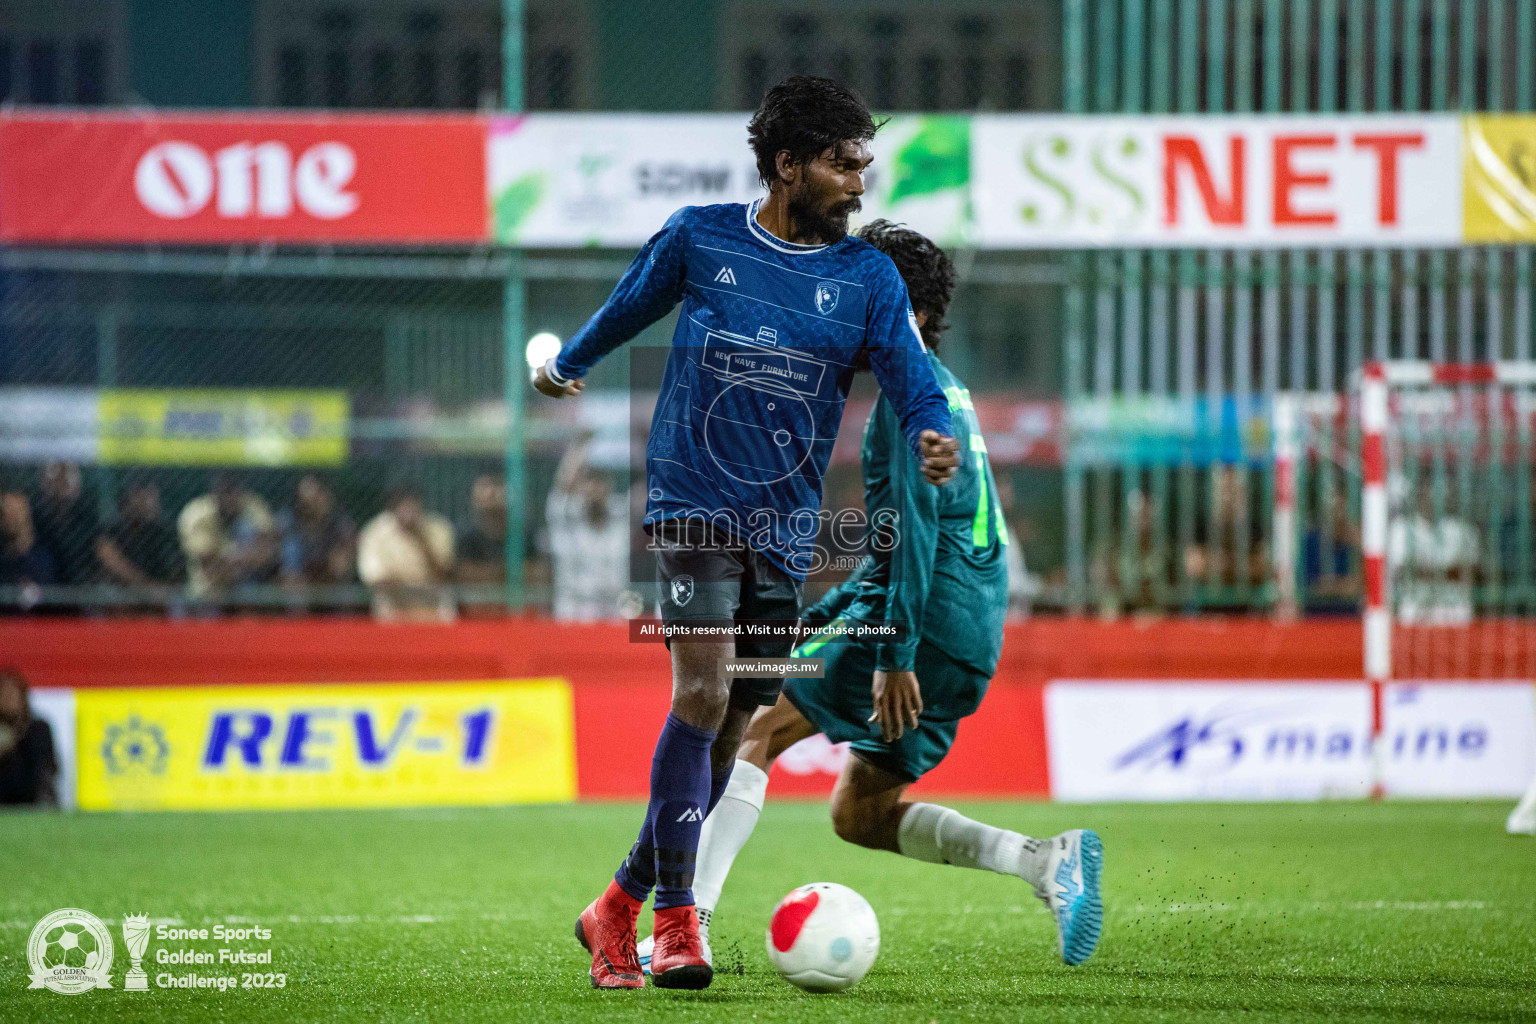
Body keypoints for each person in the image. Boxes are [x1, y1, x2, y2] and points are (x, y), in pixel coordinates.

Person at [532, 76, 959, 990]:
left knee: (733, 724)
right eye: (845, 166)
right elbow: (627, 307)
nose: (859, 184)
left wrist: (936, 432)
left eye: (866, 166)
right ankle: (679, 925)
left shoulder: (867, 279)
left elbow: (914, 378)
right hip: (690, 500)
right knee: (700, 694)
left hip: (784, 523)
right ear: (788, 164)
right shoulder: (701, 236)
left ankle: (615, 907)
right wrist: (567, 364)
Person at [637, 221, 1103, 974]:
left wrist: (894, 655)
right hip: (974, 633)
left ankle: (683, 925)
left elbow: (914, 542)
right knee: (858, 811)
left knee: (749, 722)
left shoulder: (902, 403)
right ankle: (1044, 862)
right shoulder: (947, 391)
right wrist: (820, 622)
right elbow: (904, 547)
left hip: (919, 628)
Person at [545, 439, 630, 621]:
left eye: (600, 484)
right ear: (581, 489)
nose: (595, 491)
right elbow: (561, 489)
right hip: (572, 610)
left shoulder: (621, 517)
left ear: (609, 489)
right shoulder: (567, 519)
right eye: (590, 484)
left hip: (613, 611)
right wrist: (579, 447)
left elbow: (648, 493)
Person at [357, 484, 455, 622]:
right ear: (391, 506)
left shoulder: (438, 528)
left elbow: (445, 572)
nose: (408, 511)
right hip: (393, 608)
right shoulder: (374, 532)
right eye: (403, 505)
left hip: (432, 607)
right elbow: (376, 579)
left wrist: (421, 539)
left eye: (412, 505)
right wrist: (413, 587)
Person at [177, 474, 279, 603]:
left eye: (234, 491)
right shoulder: (198, 514)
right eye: (224, 492)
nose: (230, 499)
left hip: (249, 583)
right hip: (207, 590)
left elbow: (268, 552)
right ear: (214, 494)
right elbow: (210, 567)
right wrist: (247, 557)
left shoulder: (252, 505)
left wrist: (232, 559)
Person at [276, 475, 356, 604]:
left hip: (330, 585)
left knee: (344, 592)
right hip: (301, 584)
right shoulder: (289, 522)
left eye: (317, 497)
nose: (311, 503)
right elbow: (290, 574)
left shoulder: (340, 524)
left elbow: (339, 568)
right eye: (306, 500)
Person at [96, 481, 183, 592]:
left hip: (163, 597)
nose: (147, 502)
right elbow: (107, 554)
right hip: (123, 596)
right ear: (125, 504)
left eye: (150, 496)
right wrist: (150, 588)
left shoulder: (166, 532)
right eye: (140, 497)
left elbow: (177, 577)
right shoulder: (112, 531)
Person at [32, 462, 96, 588]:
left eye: (68, 476)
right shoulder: (35, 518)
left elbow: (103, 549)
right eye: (56, 474)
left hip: (79, 588)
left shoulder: (86, 518)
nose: (62, 480)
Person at [0, 669, 59, 806]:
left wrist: (14, 742)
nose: (9, 700)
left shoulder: (37, 728)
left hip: (33, 798)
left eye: (13, 695)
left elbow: (47, 769)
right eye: (4, 695)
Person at [0, 489, 56, 607]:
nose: (9, 517)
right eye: (5, 513)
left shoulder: (44, 558)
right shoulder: (4, 560)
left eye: (15, 511)